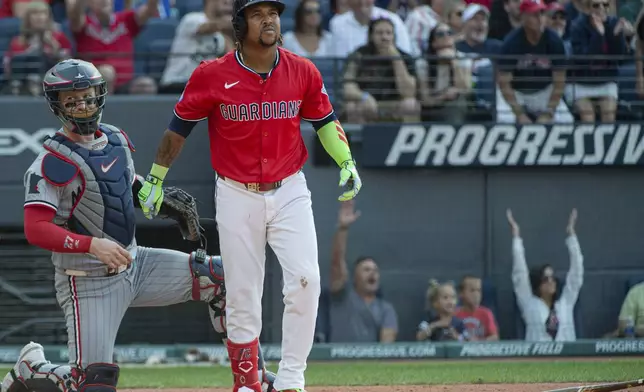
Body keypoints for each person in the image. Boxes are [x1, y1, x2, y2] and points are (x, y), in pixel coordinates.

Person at [1, 59, 276, 392]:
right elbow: (36, 228)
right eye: (71, 100)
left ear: (100, 95)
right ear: (56, 105)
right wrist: (93, 245)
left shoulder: (115, 139)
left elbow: (123, 184)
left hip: (136, 263)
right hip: (87, 279)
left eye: (87, 96)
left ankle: (252, 379)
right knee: (93, 383)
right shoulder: (50, 162)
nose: (82, 105)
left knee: (221, 278)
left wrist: (160, 201)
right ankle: (32, 369)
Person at [136, 0, 363, 389]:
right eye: (258, 14)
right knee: (242, 294)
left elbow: (325, 120)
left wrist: (346, 160)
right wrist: (156, 178)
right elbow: (178, 130)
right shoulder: (211, 75)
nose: (269, 20)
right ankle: (247, 383)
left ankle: (291, 380)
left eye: (273, 13)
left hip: (290, 187)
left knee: (306, 280)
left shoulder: (302, 70)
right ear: (240, 25)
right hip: (236, 193)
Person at [506, 208, 584, 342]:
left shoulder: (565, 303)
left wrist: (571, 236)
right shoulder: (529, 303)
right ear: (537, 283)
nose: (550, 281)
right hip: (538, 360)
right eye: (545, 278)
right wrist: (516, 238)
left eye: (552, 278)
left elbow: (576, 275)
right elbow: (520, 274)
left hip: (568, 358)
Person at [328, 200, 398, 343]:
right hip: (337, 361)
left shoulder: (385, 309)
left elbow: (387, 346)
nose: (372, 274)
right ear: (355, 276)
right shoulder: (342, 297)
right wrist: (343, 229)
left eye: (375, 271)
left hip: (369, 364)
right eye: (366, 270)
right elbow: (337, 263)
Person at [496, 0, 573, 124]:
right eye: (534, 14)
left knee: (566, 120)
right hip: (517, 92)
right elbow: (504, 84)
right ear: (523, 17)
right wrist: (519, 114)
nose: (540, 18)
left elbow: (559, 82)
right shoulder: (510, 42)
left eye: (542, 13)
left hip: (544, 91)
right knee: (504, 119)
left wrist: (549, 112)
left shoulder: (554, 40)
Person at [454, 276, 499, 340]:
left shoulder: (486, 313)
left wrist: (478, 342)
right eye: (472, 290)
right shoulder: (455, 314)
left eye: (479, 290)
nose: (476, 295)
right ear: (461, 293)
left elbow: (494, 337)